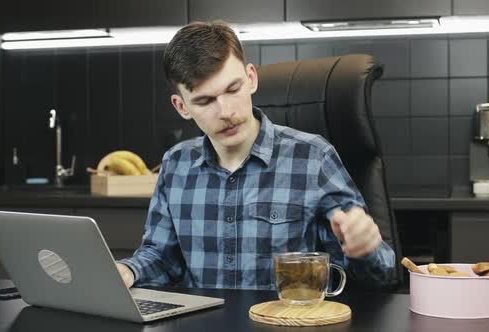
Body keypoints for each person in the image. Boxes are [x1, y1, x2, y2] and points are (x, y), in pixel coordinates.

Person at [116, 21, 395, 290]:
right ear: (182, 106)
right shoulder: (176, 164)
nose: (225, 112)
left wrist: (365, 248)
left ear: (251, 78)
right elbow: (160, 257)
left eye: (233, 89)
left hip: (285, 322)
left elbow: (381, 272)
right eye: (204, 101)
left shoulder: (313, 158)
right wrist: (128, 271)